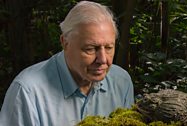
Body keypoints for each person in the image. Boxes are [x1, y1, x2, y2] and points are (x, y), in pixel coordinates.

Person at [0, 1, 134, 126]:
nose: (103, 59)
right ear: (65, 43)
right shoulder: (27, 91)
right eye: (90, 49)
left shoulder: (121, 82)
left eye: (109, 48)